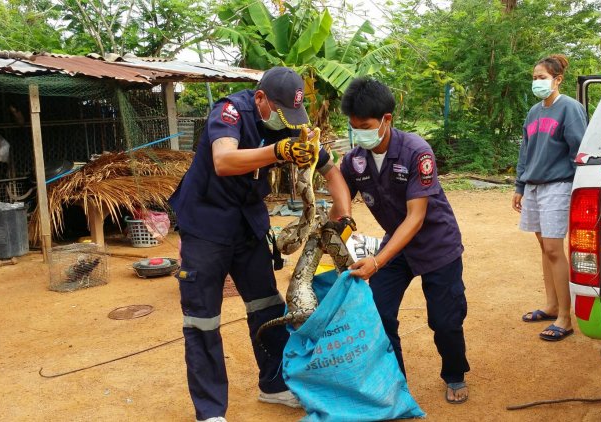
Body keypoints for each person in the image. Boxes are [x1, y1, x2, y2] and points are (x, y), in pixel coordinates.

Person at [169, 66, 352, 422]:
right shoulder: (229, 112)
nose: (287, 122)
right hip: (206, 223)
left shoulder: (288, 123)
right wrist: (278, 151)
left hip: (248, 224)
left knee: (266, 306)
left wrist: (342, 219)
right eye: (281, 113)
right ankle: (210, 412)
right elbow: (223, 160)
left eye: (292, 116)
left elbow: (331, 172)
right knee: (202, 318)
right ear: (260, 99)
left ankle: (274, 386)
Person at [340, 77, 470, 404]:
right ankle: (395, 381)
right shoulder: (354, 160)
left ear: (387, 119)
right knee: (380, 313)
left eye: (366, 125)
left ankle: (454, 372)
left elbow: (416, 217)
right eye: (354, 127)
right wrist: (329, 240)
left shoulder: (416, 151)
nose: (360, 133)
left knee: (445, 320)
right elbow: (340, 210)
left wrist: (377, 261)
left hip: (436, 246)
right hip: (396, 247)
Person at [512, 54, 587, 342]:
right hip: (533, 186)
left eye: (542, 77)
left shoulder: (570, 108)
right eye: (535, 77)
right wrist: (519, 185)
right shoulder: (534, 112)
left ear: (558, 80)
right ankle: (551, 305)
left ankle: (565, 318)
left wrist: (578, 186)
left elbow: (579, 151)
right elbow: (525, 151)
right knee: (545, 247)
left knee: (555, 249)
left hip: (559, 185)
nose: (537, 82)